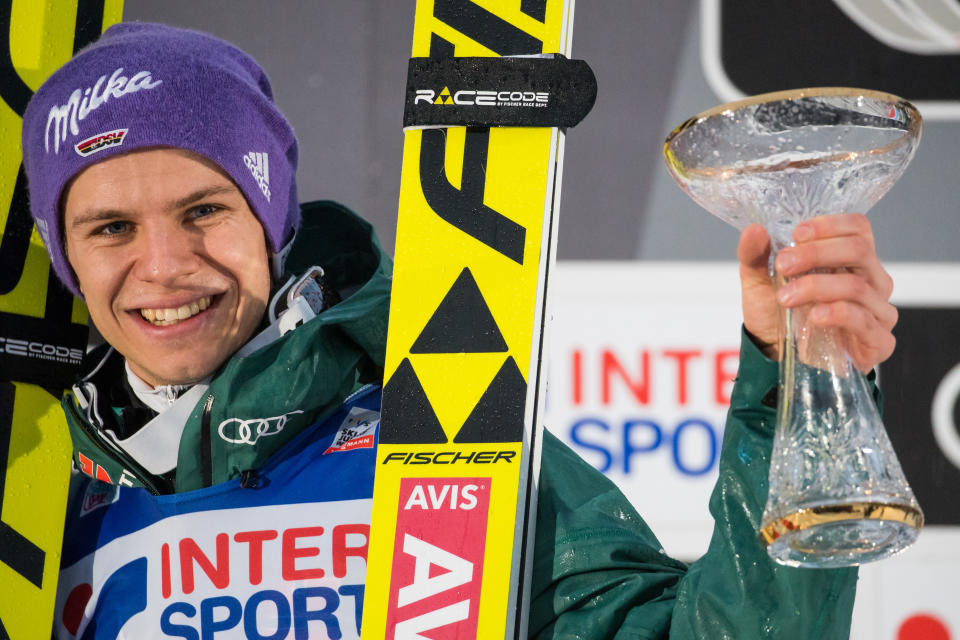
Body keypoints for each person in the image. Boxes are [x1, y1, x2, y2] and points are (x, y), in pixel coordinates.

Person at [20, 23, 896, 639]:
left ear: (269, 219)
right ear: (65, 254)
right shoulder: (34, 481)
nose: (166, 265)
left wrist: (796, 384)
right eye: (111, 229)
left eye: (204, 209)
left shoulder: (434, 417)